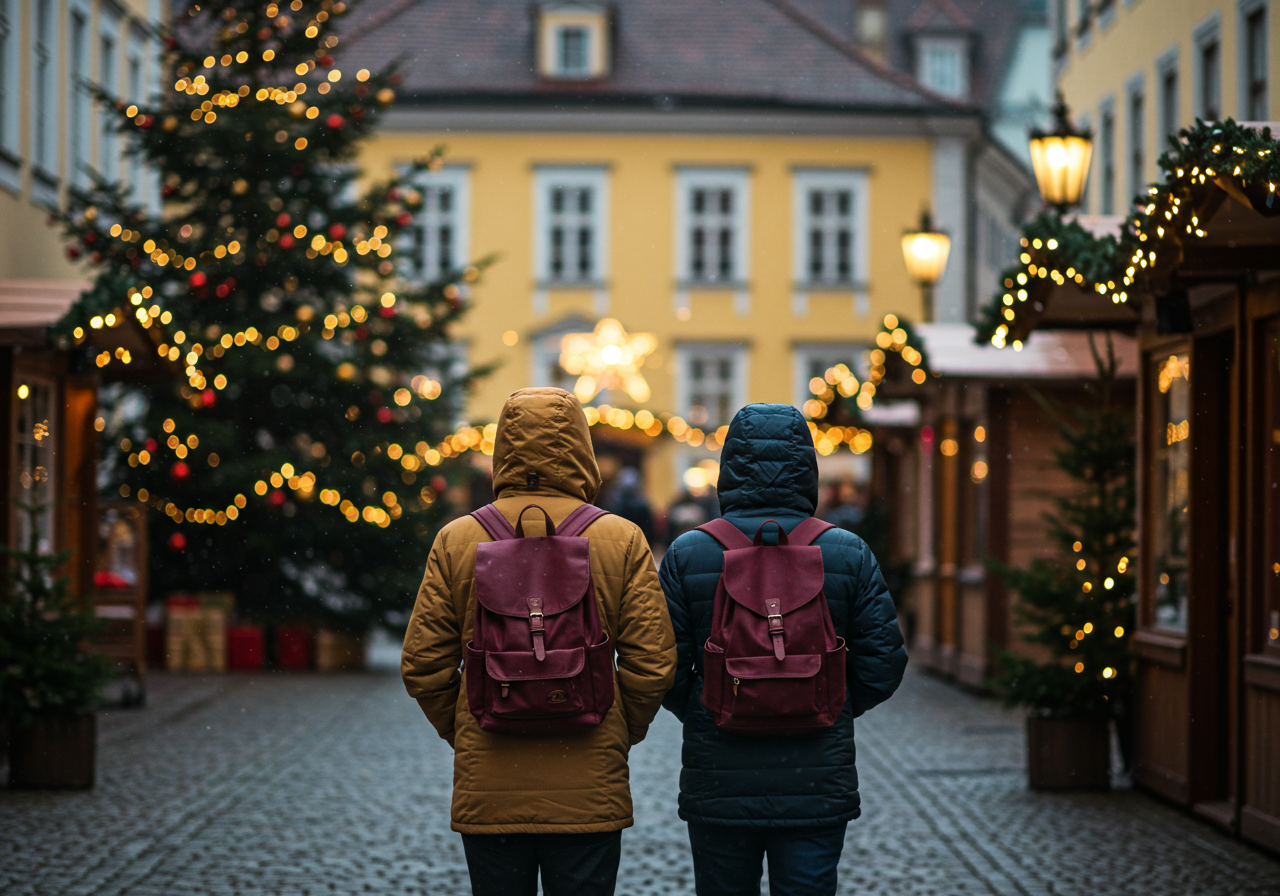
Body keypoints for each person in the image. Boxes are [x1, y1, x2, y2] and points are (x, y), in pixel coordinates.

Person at [402, 387, 677, 896]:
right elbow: (653, 663)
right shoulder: (621, 538)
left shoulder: (458, 539)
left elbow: (423, 665)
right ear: (581, 448)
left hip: (491, 781)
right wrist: (614, 727)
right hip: (588, 780)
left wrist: (471, 723)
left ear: (503, 448)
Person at [658, 403, 907, 896]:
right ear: (805, 466)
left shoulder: (690, 553)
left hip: (720, 775)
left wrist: (711, 704)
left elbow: (661, 664)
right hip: (815, 776)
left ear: (730, 468)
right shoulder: (846, 551)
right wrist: (825, 700)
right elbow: (885, 661)